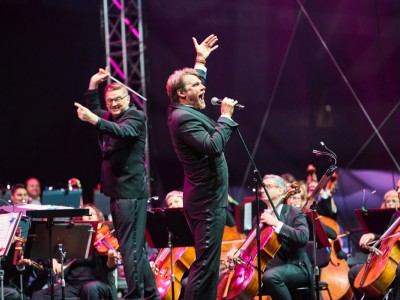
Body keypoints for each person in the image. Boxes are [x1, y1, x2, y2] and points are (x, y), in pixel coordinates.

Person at [74, 67, 159, 299]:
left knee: (129, 249)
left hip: (130, 193)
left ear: (128, 98)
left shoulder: (135, 117)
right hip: (118, 193)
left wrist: (94, 120)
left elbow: (121, 131)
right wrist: (93, 84)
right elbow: (96, 112)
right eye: (109, 100)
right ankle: (151, 295)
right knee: (135, 249)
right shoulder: (112, 116)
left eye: (118, 99)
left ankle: (135, 295)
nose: (113, 104)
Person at [166, 34, 238, 300]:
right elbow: (213, 146)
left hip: (208, 200)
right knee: (206, 266)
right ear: (182, 93)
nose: (203, 87)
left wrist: (200, 62)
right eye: (196, 85)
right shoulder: (183, 119)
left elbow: (196, 89)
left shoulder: (183, 108)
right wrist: (226, 119)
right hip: (206, 203)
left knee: (208, 266)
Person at [31, 204, 119, 300]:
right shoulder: (73, 238)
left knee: (89, 289)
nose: (89, 216)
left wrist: (111, 257)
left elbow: (110, 267)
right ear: (81, 219)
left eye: (92, 214)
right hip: (73, 285)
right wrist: (54, 261)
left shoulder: (104, 239)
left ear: (99, 219)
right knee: (38, 296)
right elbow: (55, 250)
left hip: (97, 283)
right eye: (86, 214)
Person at [258, 175, 312, 299]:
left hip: (296, 266)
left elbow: (303, 237)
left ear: (280, 191)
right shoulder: (260, 217)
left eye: (268, 186)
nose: (262, 190)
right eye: (262, 187)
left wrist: (276, 223)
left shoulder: (294, 213)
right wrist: (238, 252)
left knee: (271, 277)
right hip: (271, 267)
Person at [348, 210, 400, 300]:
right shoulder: (397, 215)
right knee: (353, 273)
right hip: (391, 257)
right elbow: (386, 238)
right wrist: (373, 236)